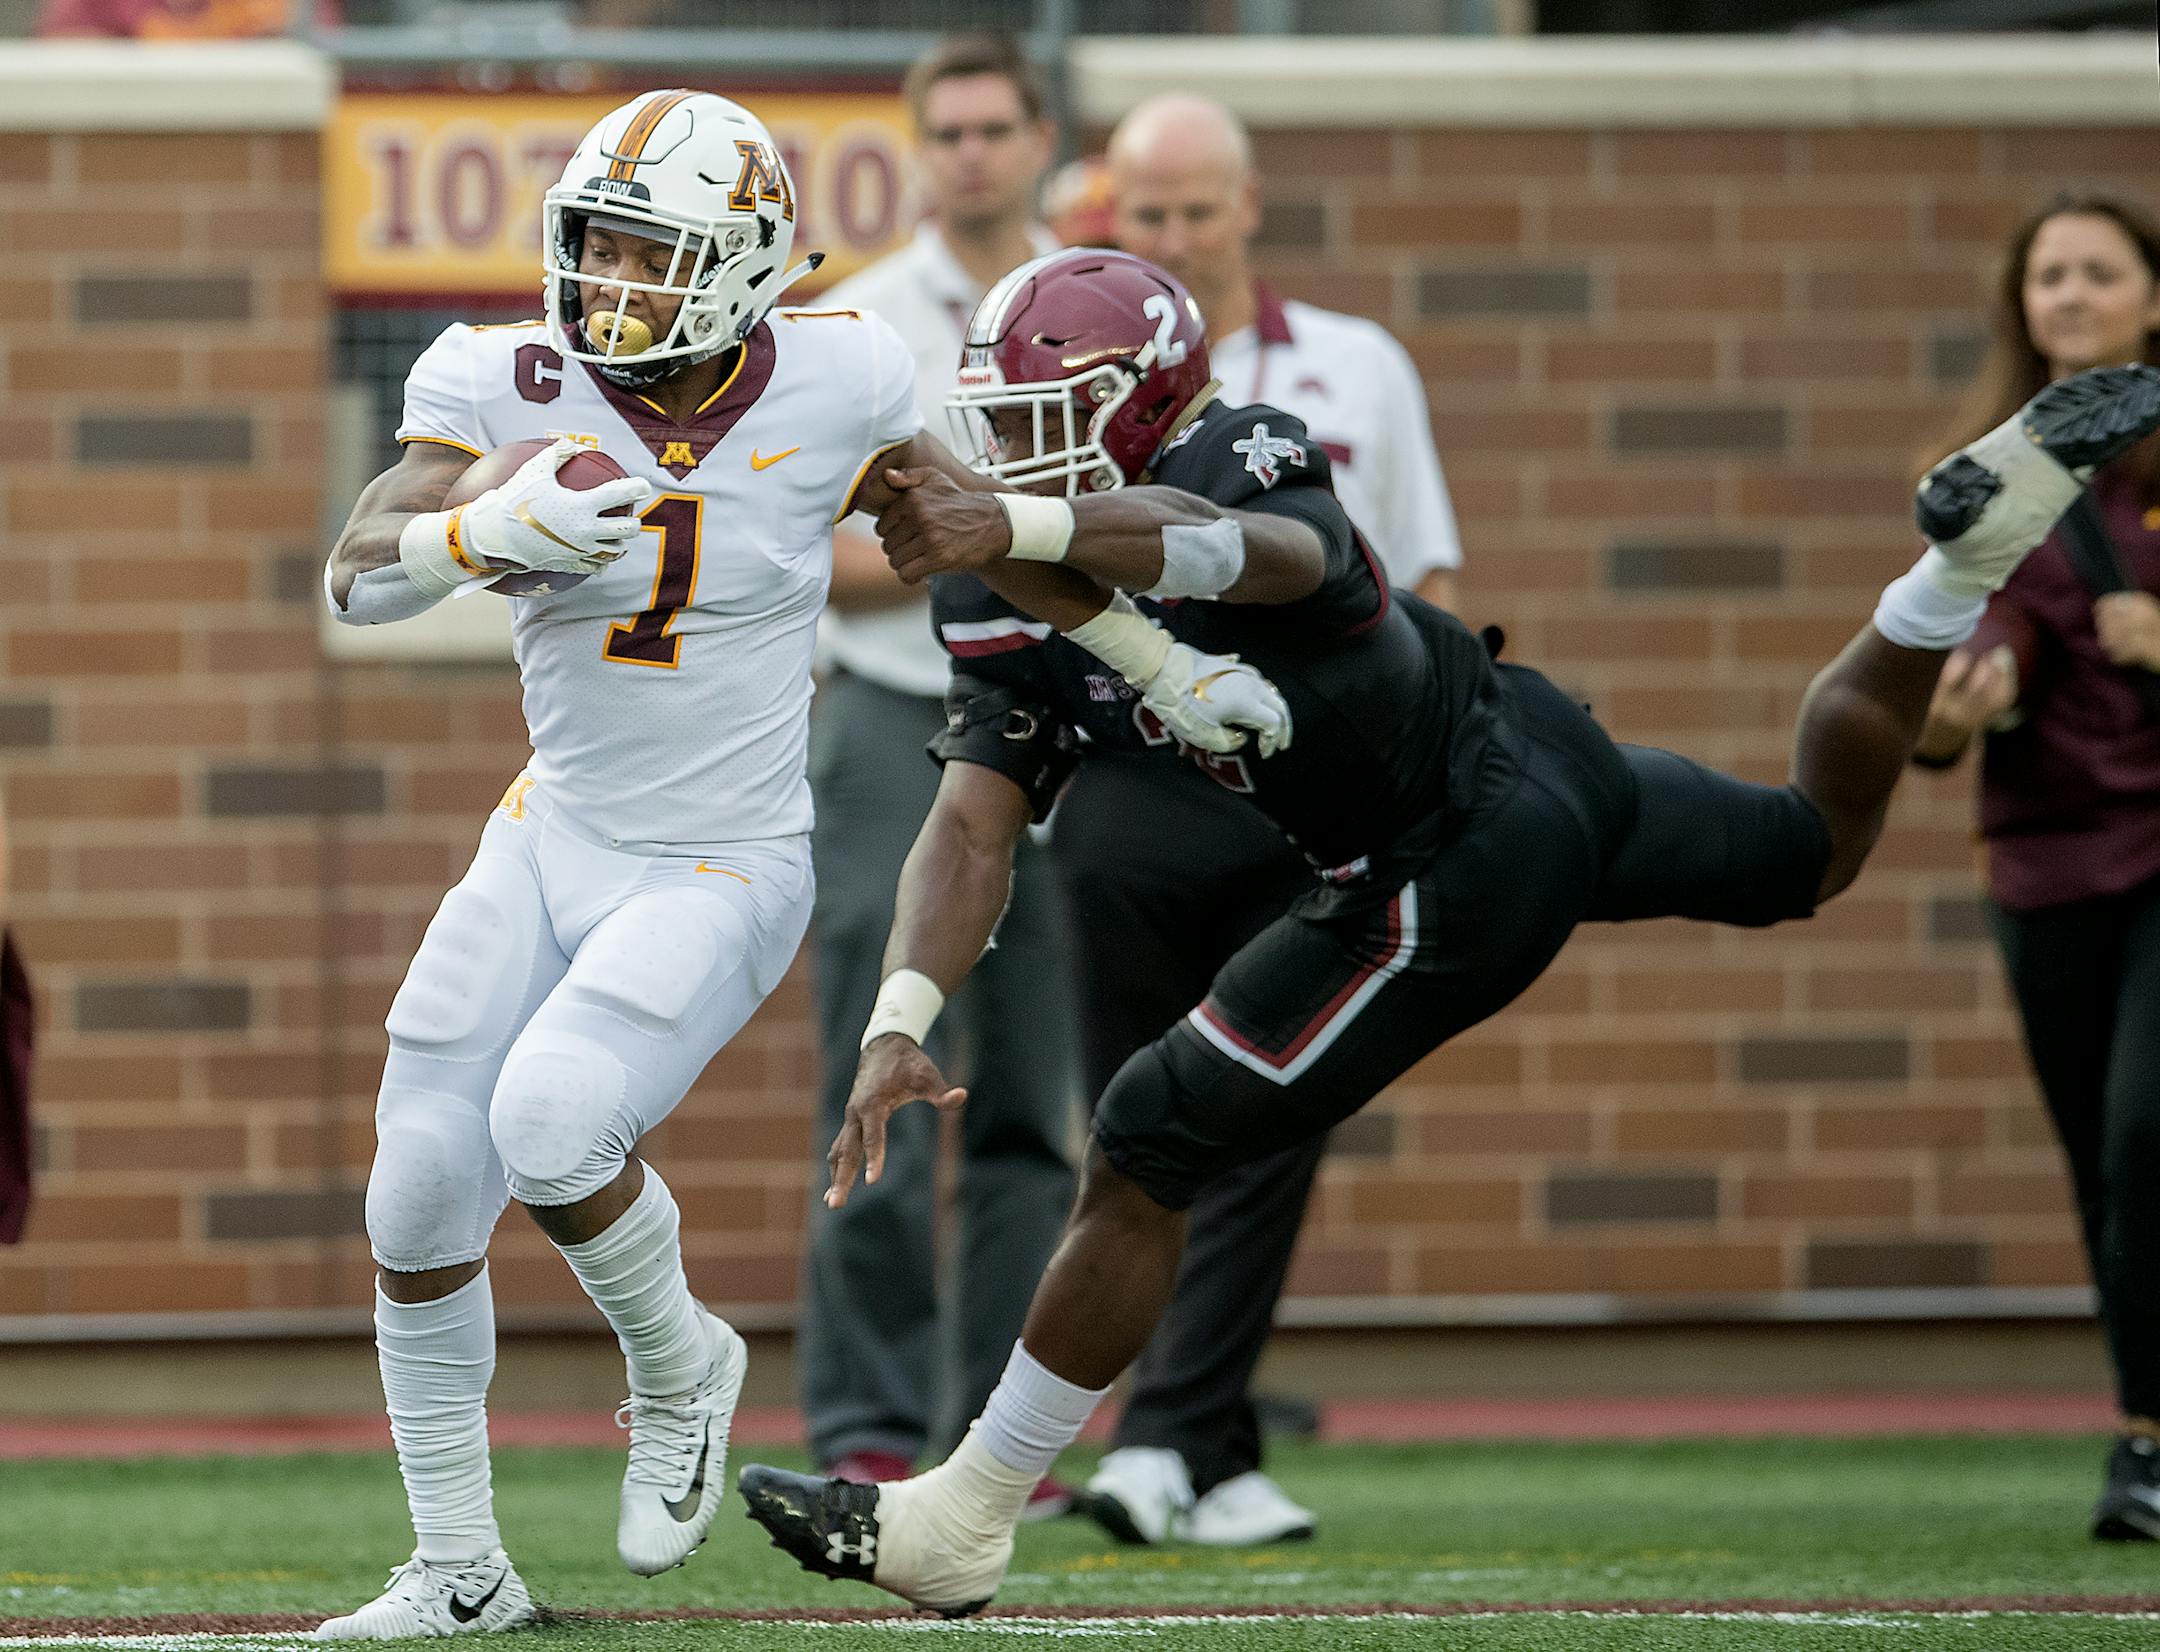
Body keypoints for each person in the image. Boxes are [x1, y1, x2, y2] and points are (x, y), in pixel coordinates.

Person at [737, 245, 2160, 1616]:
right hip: (1512, 760)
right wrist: (900, 1018)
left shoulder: (1239, 449)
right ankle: (1950, 578)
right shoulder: (1001, 584)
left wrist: (1022, 522)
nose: (1013, 451)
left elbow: (1265, 558)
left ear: (1150, 404)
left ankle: (963, 1519)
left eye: (1049, 419)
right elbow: (976, 818)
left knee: (1150, 1132)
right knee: (1804, 851)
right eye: (999, 424)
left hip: (1452, 848)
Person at [311, 88, 964, 1639]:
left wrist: (1144, 643)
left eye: (651, 254)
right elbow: (354, 575)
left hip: (725, 857)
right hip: (552, 836)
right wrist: (481, 532)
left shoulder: (846, 369)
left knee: (552, 1117)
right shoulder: (499, 375)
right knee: (414, 1192)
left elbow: (959, 523)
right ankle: (460, 1571)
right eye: (596, 246)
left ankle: (682, 1364)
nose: (610, 285)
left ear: (746, 264)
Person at [1055, 91, 1466, 1549]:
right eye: (1142, 213)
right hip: (1133, 781)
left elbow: (1419, 585)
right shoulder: (1069, 365)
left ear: (1249, 205)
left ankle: (1169, 1441)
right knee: (1142, 1117)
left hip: (1308, 792)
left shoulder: (1356, 366)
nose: (1171, 236)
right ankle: (1203, 1453)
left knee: (1274, 1103)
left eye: (1194, 209)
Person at [802, 32, 1079, 1520]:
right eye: (946, 131)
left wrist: (1013, 549)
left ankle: (1003, 1438)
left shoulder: (1091, 306)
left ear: (1041, 137)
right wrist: (967, 552)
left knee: (1036, 1098)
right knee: (870, 1068)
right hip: (889, 721)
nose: (970, 152)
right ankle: (864, 1420)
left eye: (995, 127)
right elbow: (811, 552)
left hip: (1052, 722)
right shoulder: (857, 331)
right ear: (919, 149)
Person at [1910, 192, 2160, 1543]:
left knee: (2147, 1128)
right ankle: (2147, 1436)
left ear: (2151, 299)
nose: (2066, 294)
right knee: (2106, 1170)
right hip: (2052, 866)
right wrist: (1967, 702)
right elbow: (1975, 636)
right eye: (2045, 276)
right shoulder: (1988, 478)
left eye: (2096, 271)